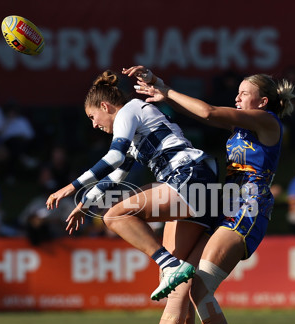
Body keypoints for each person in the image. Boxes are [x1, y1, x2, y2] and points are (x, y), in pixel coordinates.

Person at [98, 66, 295, 324]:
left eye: (243, 93)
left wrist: (165, 90)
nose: (237, 97)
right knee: (182, 287)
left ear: (262, 101)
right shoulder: (245, 126)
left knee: (199, 289)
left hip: (247, 207)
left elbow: (208, 112)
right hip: (225, 203)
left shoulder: (267, 122)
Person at [46, 70, 219, 307]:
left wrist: (71, 186)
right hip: (197, 181)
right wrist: (84, 205)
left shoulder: (128, 110)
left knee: (114, 215)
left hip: (189, 176)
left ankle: (168, 264)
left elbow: (114, 157)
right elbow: (115, 178)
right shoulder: (134, 126)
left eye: (92, 116)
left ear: (105, 106)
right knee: (178, 290)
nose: (94, 125)